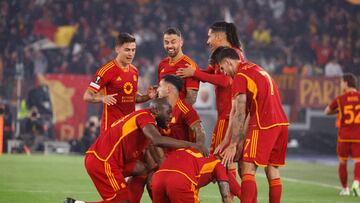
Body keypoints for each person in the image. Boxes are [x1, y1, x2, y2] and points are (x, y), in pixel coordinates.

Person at [64, 98, 209, 203]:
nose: (171, 117)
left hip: (113, 161)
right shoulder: (144, 116)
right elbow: (157, 140)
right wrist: (192, 145)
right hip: (104, 162)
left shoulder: (148, 123)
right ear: (157, 110)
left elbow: (153, 150)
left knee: (144, 169)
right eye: (168, 112)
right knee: (122, 202)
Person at [214, 47, 289, 203]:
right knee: (272, 170)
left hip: (263, 124)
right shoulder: (255, 68)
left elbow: (239, 113)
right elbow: (248, 111)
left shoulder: (240, 76)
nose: (223, 72)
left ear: (228, 62)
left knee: (247, 168)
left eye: (222, 68)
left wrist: (233, 144)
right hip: (281, 123)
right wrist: (231, 141)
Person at [176, 22, 245, 180]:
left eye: (210, 36)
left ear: (219, 36)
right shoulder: (220, 55)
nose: (208, 41)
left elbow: (225, 81)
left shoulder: (233, 55)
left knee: (221, 161)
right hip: (224, 114)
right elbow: (206, 73)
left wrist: (194, 73)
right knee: (226, 162)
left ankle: (233, 197)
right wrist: (191, 72)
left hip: (229, 115)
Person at [83, 33, 156, 135]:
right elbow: (87, 96)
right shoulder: (105, 71)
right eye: (127, 50)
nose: (131, 54)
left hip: (128, 128)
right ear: (117, 49)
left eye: (133, 50)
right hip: (111, 128)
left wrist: (148, 96)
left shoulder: (134, 70)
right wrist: (102, 98)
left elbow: (132, 97)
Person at [151, 147, 241, 203]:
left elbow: (236, 189)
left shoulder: (196, 153)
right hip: (180, 180)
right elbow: (226, 196)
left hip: (157, 179)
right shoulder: (219, 163)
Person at [325, 73, 360, 196]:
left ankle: (345, 189)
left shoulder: (340, 99)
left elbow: (327, 111)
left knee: (342, 162)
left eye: (341, 82)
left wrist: (339, 110)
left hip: (344, 136)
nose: (340, 84)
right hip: (358, 136)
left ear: (346, 83)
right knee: (358, 161)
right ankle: (356, 182)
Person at [157, 74, 206, 146]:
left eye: (160, 86)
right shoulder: (159, 109)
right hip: (165, 154)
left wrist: (199, 147)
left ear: (168, 89)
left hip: (182, 153)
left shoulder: (185, 109)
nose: (157, 89)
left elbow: (200, 131)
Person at [158, 27, 200, 105]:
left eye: (173, 42)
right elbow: (161, 92)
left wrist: (173, 112)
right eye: (166, 42)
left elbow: (191, 98)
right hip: (163, 114)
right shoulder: (162, 64)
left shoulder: (190, 66)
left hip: (179, 115)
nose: (170, 46)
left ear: (181, 43)